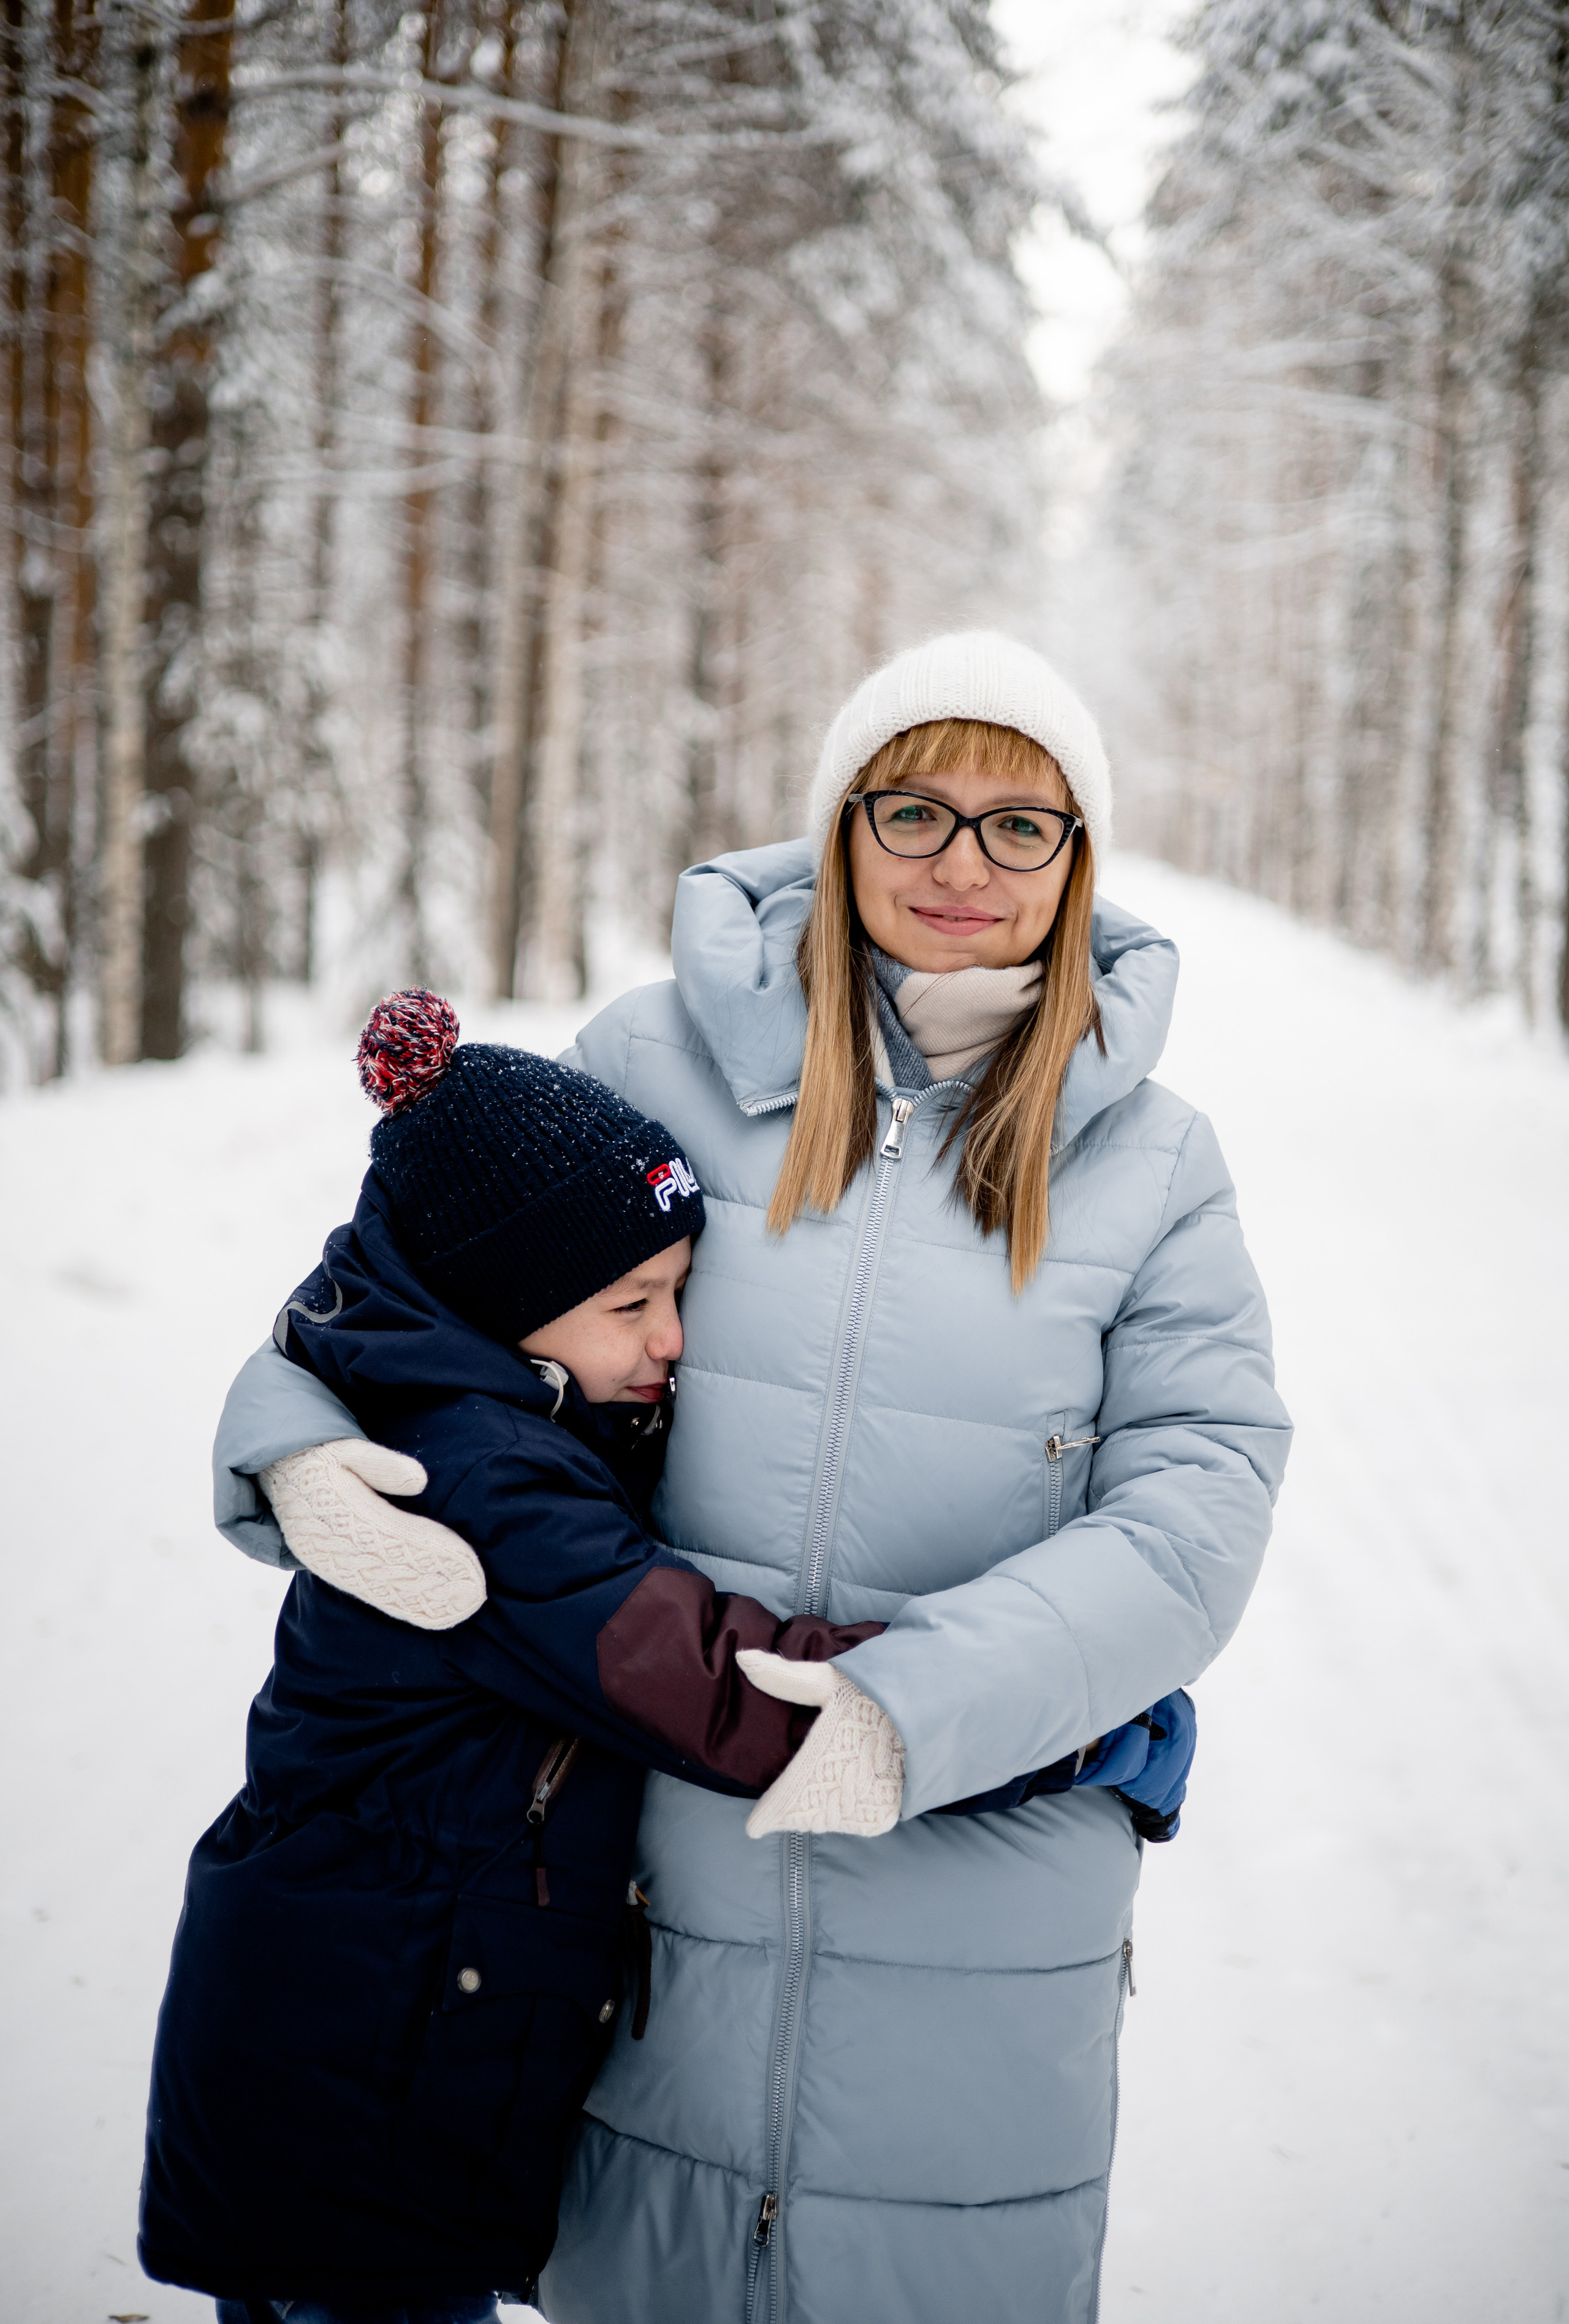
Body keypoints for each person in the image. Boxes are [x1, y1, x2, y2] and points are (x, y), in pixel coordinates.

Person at [207, 629, 1288, 2324]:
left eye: (1022, 825)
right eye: (914, 809)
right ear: (839, 822)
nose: (959, 864)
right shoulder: (656, 1060)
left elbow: (1198, 1506)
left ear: (1078, 864)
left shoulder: (1153, 1163)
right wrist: (286, 1442)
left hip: (984, 1891)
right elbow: (419, 1286)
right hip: (650, 1877)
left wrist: (919, 1713)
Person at [145, 988, 1188, 2324]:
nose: (671, 1343)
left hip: (370, 2045)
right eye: (632, 1303)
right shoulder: (483, 1488)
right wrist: (1063, 1725)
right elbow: (714, 1686)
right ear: (502, 1302)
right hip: (354, 2083)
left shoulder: (490, 1410)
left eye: (679, 1295)